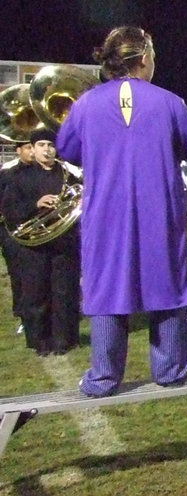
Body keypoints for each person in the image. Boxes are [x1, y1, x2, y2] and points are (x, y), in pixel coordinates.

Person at [56, 26, 187, 396]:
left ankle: (104, 376)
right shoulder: (170, 101)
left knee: (106, 285)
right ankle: (170, 369)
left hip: (105, 213)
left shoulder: (86, 104)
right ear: (143, 58)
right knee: (167, 282)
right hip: (160, 210)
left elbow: (67, 148)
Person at [1, 128, 81, 356]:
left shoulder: (68, 175)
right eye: (42, 145)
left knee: (64, 292)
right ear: (33, 149)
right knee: (36, 293)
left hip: (64, 244)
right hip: (33, 247)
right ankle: (39, 341)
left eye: (50, 145)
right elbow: (10, 211)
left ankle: (65, 340)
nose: (47, 150)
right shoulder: (19, 177)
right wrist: (36, 204)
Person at [0, 138, 35, 331]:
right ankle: (23, 315)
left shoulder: (49, 170)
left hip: (39, 231)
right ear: (18, 150)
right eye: (28, 148)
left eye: (33, 147)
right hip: (12, 232)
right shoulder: (7, 172)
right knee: (19, 275)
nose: (32, 152)